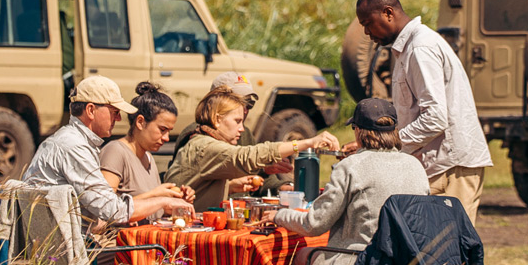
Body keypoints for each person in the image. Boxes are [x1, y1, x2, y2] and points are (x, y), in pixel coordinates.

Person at [353, 0, 493, 224]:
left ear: (388, 12)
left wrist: (387, 146)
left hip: (450, 167)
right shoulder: (406, 50)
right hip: (438, 164)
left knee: (448, 251)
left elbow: (436, 117)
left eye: (368, 23)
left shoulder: (420, 49)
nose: (367, 33)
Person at [268, 97, 428, 265]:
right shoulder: (415, 165)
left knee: (301, 259)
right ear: (395, 131)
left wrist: (278, 215)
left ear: (358, 131)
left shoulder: (351, 167)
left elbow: (314, 224)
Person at [23, 76, 194, 226]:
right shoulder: (73, 146)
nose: (119, 118)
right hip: (53, 250)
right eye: (114, 112)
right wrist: (162, 201)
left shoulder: (74, 141)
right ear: (91, 110)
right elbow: (112, 211)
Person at [165, 85, 339, 212]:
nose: (241, 129)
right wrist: (306, 143)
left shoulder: (208, 142)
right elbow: (247, 156)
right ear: (217, 120)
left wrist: (231, 186)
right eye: (237, 121)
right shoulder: (204, 146)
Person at [100, 82, 195, 220]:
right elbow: (104, 210)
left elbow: (152, 211)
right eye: (162, 130)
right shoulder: (115, 152)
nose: (166, 138)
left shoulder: (148, 157)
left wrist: (177, 201)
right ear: (140, 122)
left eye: (169, 131)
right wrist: (157, 196)